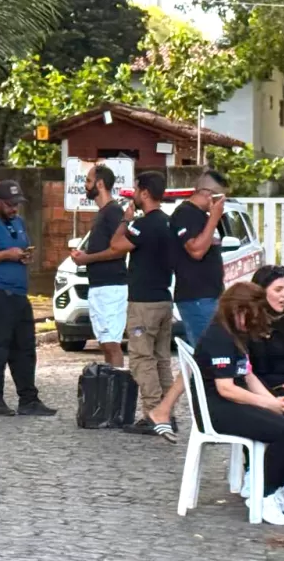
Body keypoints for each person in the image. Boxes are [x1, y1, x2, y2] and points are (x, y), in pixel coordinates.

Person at [190, 282, 284, 525]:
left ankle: (277, 485)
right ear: (238, 311)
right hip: (217, 409)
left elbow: (248, 375)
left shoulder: (235, 335)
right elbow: (226, 388)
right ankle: (264, 495)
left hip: (229, 402)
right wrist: (266, 405)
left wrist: (272, 401)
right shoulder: (219, 338)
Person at [145, 170, 229, 441]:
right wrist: (214, 217)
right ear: (208, 195)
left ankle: (168, 412)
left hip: (210, 296)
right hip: (196, 297)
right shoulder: (185, 215)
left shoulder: (205, 217)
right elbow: (196, 250)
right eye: (220, 198)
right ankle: (179, 414)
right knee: (208, 357)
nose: (222, 204)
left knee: (200, 357)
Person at [0, 180, 56, 417]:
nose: (14, 208)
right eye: (9, 204)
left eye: (17, 204)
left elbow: (18, 249)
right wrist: (4, 254)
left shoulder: (18, 222)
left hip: (18, 293)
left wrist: (23, 256)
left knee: (25, 348)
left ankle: (28, 399)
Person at [99, 172, 175, 436]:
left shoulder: (143, 225)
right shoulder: (168, 222)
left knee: (143, 359)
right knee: (162, 360)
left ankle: (154, 415)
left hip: (144, 302)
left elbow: (115, 245)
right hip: (164, 299)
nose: (133, 194)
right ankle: (167, 413)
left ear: (144, 193)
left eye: (135, 189)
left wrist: (125, 220)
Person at [242, 265, 284, 506]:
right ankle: (255, 471)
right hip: (255, 384)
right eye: (278, 290)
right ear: (261, 292)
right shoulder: (246, 322)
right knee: (279, 419)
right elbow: (244, 368)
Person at [71, 165, 128, 368]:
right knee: (104, 343)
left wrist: (88, 259)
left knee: (112, 344)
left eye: (88, 181)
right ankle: (109, 381)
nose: (85, 185)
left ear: (100, 184)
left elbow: (120, 249)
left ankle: (117, 382)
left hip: (111, 287)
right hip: (98, 286)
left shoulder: (113, 211)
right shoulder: (102, 213)